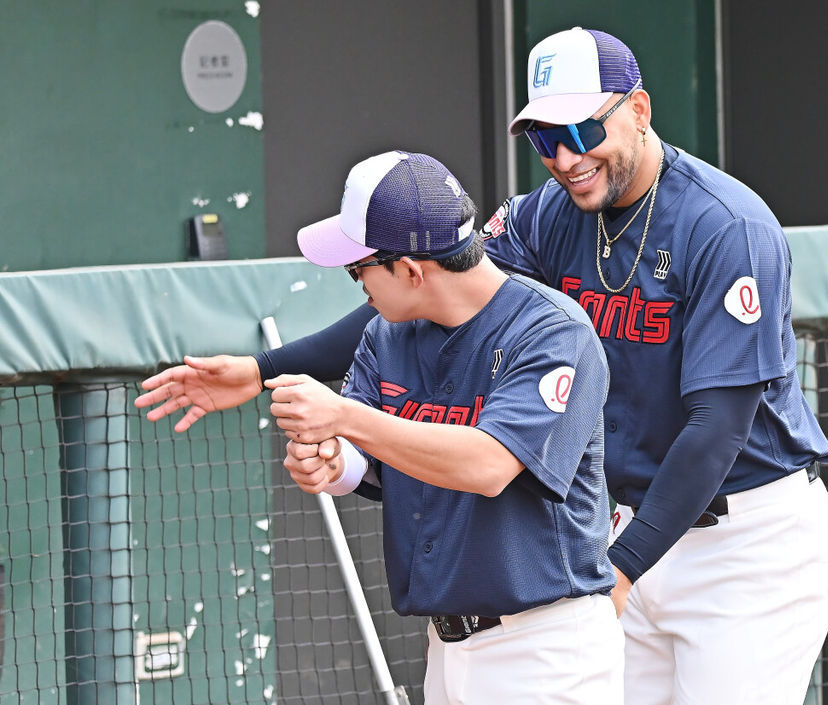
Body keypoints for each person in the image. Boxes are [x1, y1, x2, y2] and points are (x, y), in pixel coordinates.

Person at [137, 27, 828, 705]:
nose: (564, 157)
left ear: (638, 110)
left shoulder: (727, 225)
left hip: (743, 541)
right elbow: (420, 290)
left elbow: (718, 427)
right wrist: (262, 369)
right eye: (544, 138)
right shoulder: (548, 215)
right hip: (628, 526)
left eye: (581, 131)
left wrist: (623, 567)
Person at [142, 150, 624, 704]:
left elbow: (489, 464)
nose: (356, 283)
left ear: (412, 270)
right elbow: (365, 457)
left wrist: (343, 416)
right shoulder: (386, 333)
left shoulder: (552, 331)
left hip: (546, 649)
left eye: (359, 269)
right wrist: (329, 462)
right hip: (446, 648)